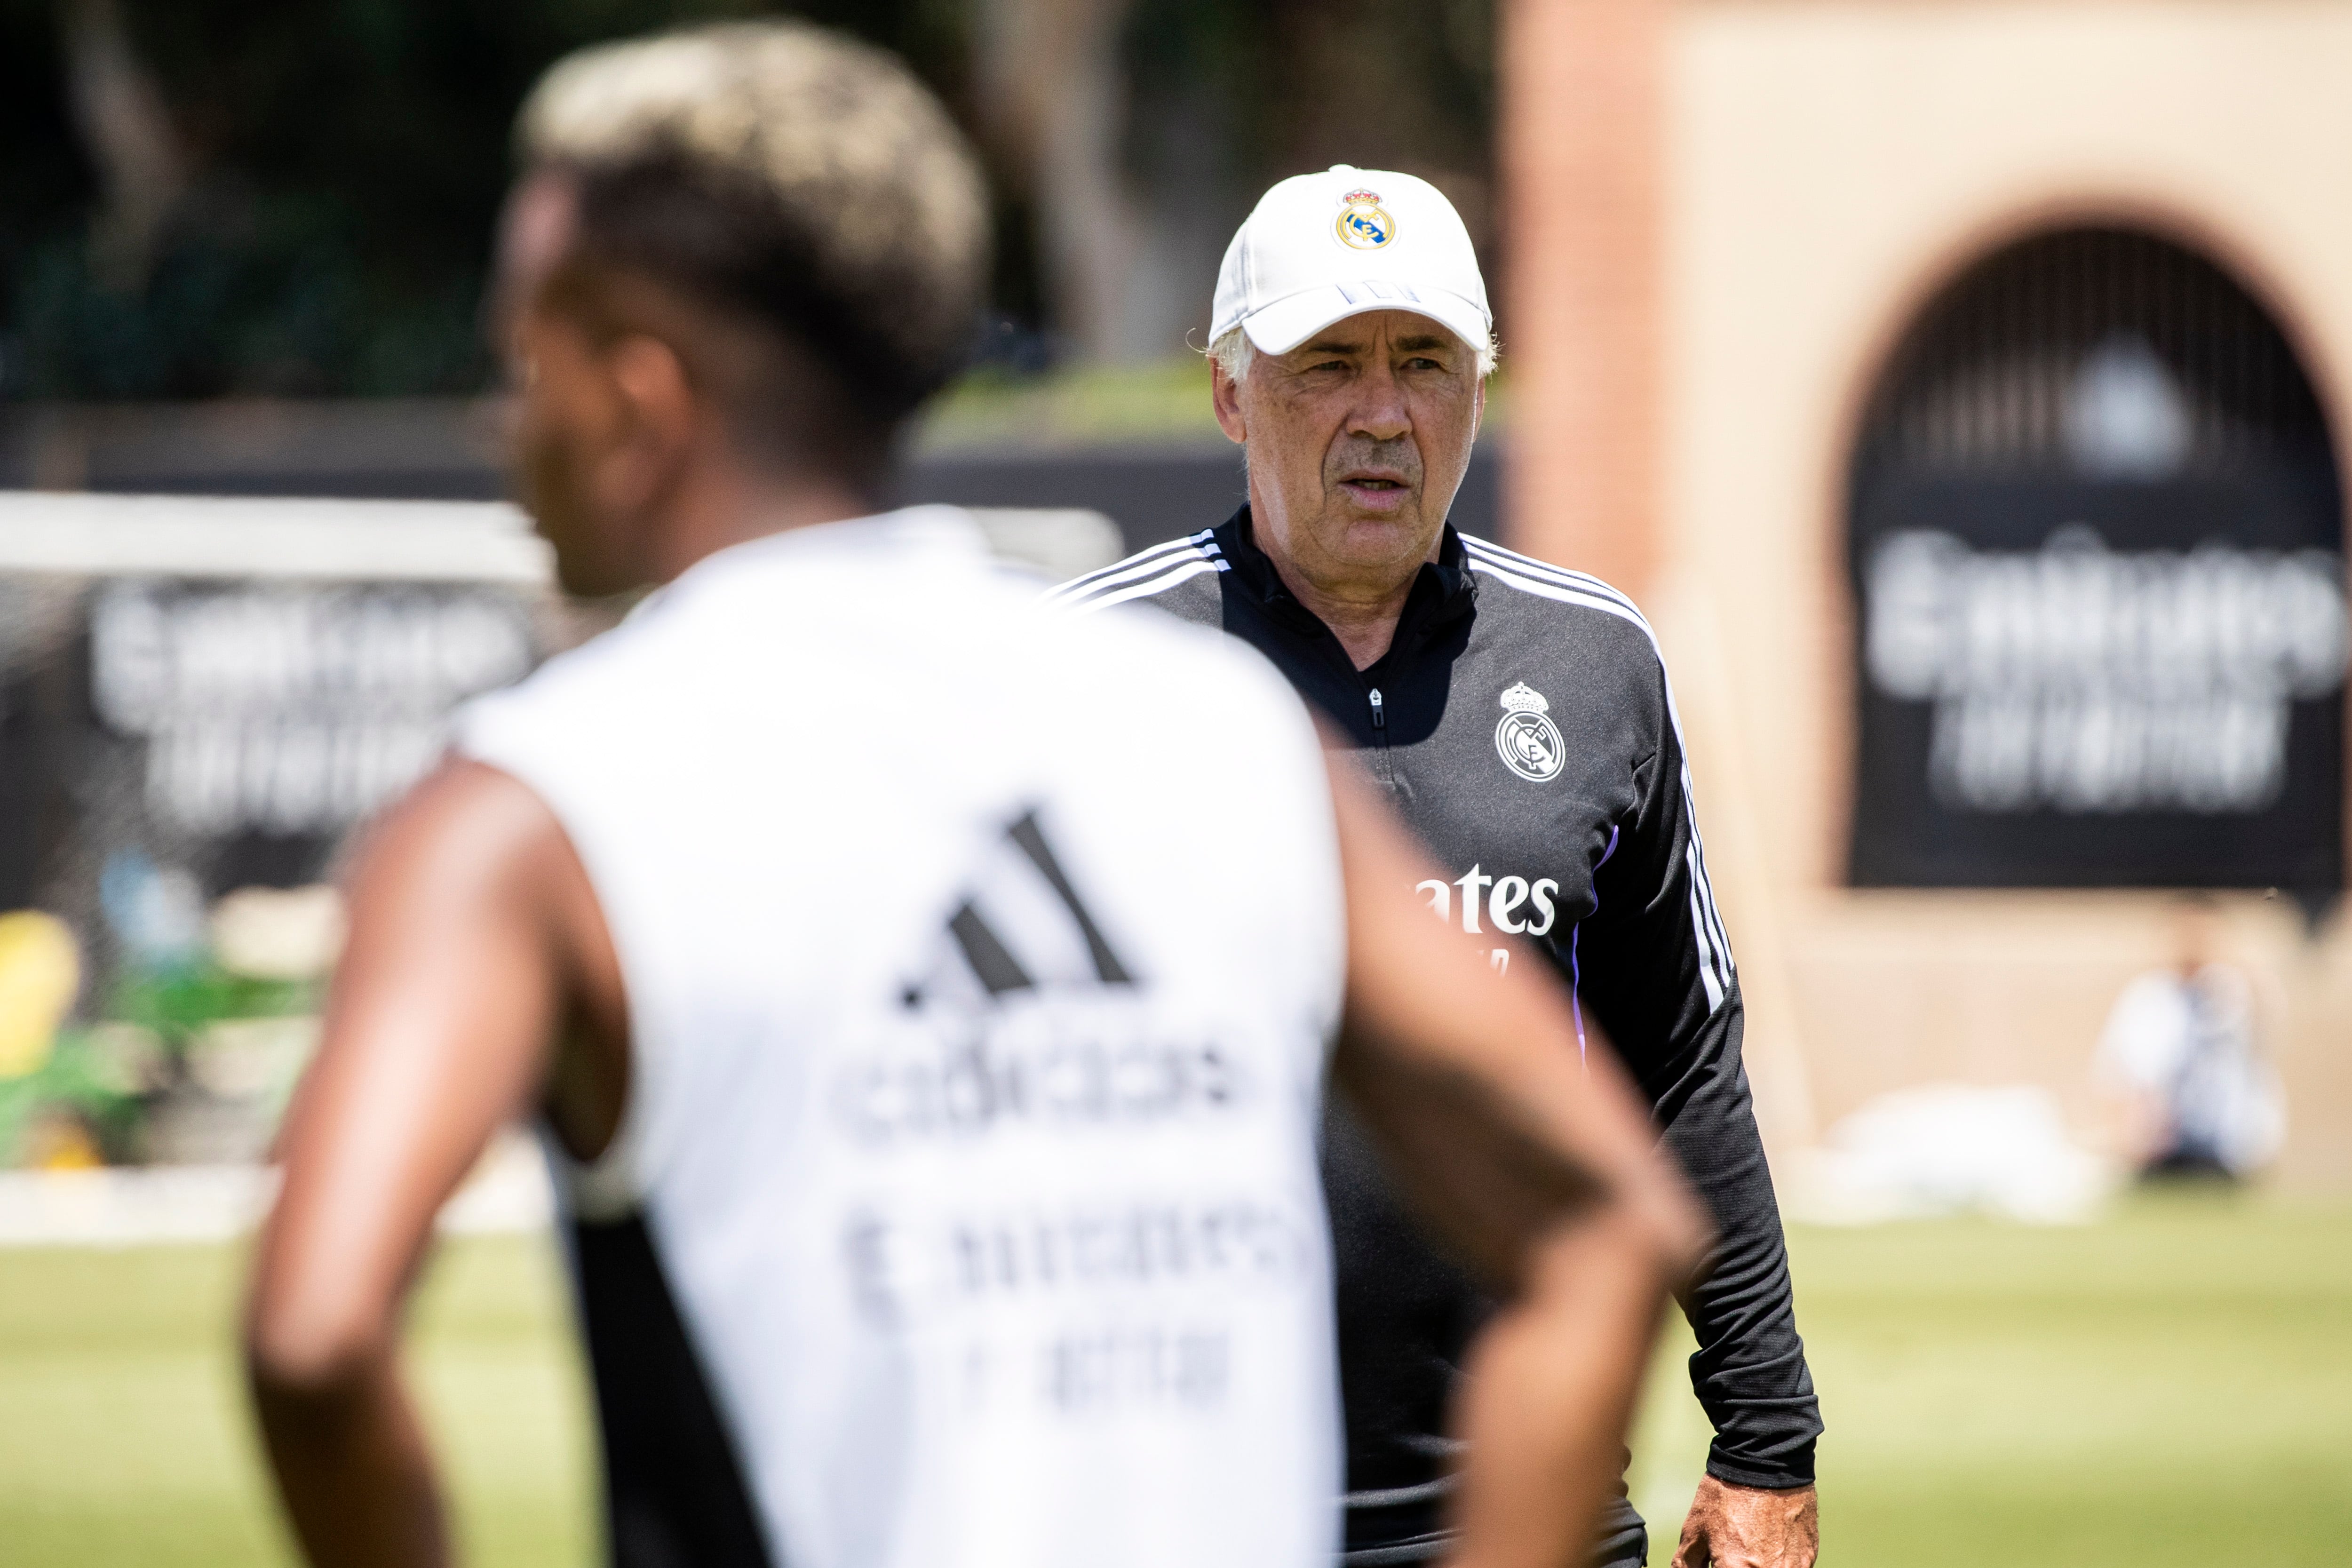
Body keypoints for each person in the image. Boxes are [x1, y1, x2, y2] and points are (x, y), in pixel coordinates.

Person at [239, 26, 1708, 1568]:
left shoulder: (529, 809)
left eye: (521, 361)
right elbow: (1608, 1218)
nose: (502, 420)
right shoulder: (1218, 735)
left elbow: (314, 1335)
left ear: (639, 399)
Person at [1052, 167, 1823, 1568]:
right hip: (1183, 1515)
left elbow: (1684, 1063)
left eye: (1422, 363)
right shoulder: (1077, 669)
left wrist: (1765, 1436)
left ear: (1479, 384)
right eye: (1325, 365)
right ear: (1229, 393)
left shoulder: (1596, 662)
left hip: (1540, 1512)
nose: (1380, 413)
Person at [2095, 899, 2284, 1180]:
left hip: (2227, 1150)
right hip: (2160, 1147)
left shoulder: (2235, 991)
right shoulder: (2148, 996)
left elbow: (2264, 1038)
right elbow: (2120, 1072)